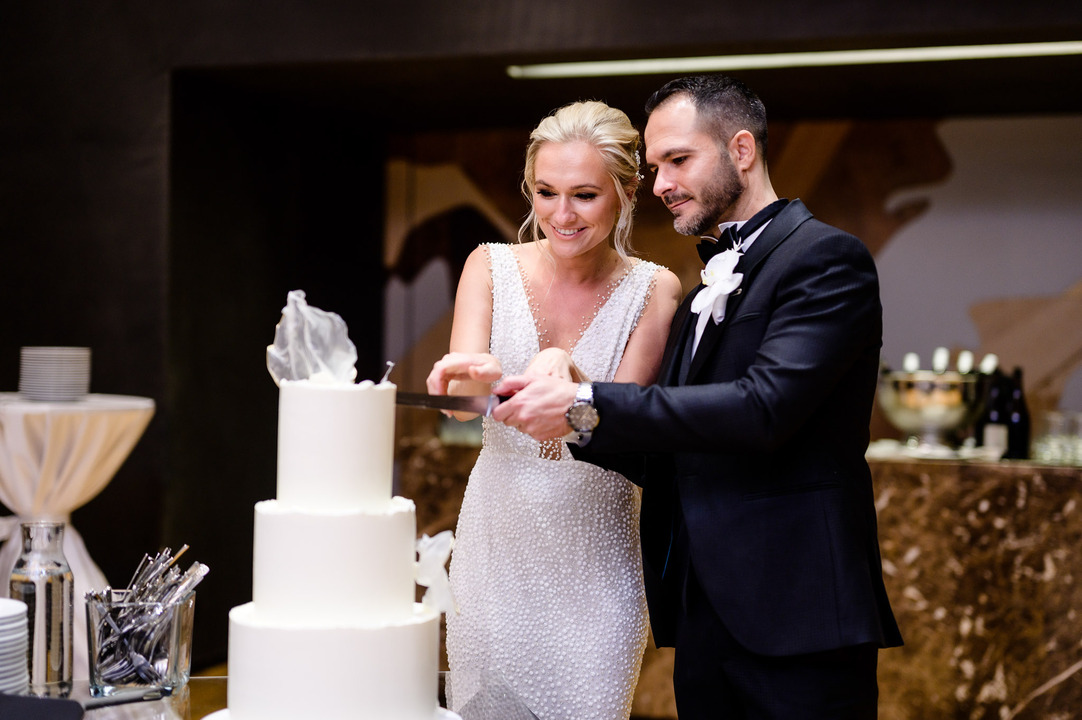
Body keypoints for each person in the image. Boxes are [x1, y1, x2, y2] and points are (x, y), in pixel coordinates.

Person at [491, 75, 903, 719]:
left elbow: (763, 408)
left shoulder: (826, 258)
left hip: (797, 615)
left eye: (678, 160)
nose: (661, 185)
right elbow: (674, 447)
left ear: (742, 151)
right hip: (707, 614)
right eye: (655, 167)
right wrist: (566, 424)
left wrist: (583, 402)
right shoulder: (703, 280)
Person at [426, 99, 681, 720]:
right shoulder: (487, 266)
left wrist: (573, 377)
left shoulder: (656, 289)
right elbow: (462, 408)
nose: (560, 215)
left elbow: (629, 433)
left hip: (596, 560)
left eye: (585, 195)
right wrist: (471, 381)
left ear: (626, 192)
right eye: (545, 192)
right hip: (496, 553)